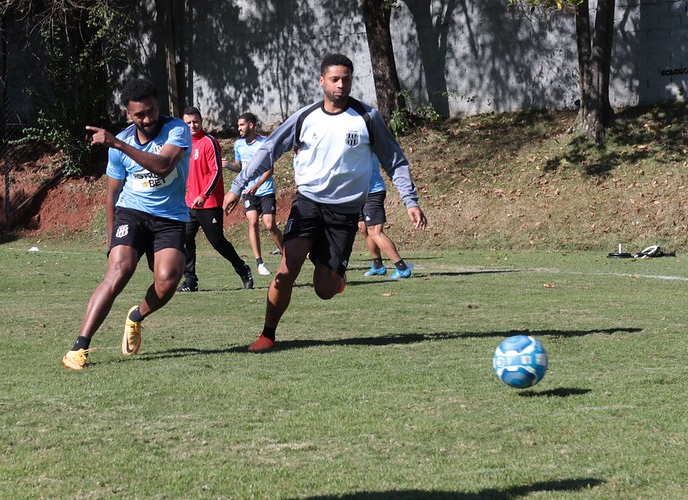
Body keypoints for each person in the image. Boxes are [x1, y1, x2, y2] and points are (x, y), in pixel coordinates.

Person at [222, 53, 427, 352]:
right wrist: (238, 187)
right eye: (334, 79)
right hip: (308, 204)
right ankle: (267, 334)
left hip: (344, 213)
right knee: (285, 272)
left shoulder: (367, 118)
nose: (341, 85)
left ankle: (331, 272)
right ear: (322, 81)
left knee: (325, 289)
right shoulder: (305, 117)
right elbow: (268, 151)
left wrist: (410, 199)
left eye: (346, 79)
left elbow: (394, 161)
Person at [62, 78, 192, 370]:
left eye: (152, 111)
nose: (148, 119)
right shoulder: (119, 144)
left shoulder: (177, 130)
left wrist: (117, 142)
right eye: (140, 115)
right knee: (119, 271)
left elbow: (163, 165)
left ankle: (136, 316)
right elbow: (112, 195)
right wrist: (112, 241)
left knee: (168, 280)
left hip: (170, 217)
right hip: (131, 212)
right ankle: (78, 348)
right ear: (128, 115)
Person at [176, 107, 254, 292]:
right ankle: (190, 281)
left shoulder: (209, 142)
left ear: (201, 122)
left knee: (217, 241)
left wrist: (204, 195)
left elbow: (217, 171)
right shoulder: (183, 143)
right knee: (185, 238)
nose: (192, 125)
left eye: (195, 121)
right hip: (189, 203)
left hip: (208, 202)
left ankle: (242, 268)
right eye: (188, 123)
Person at [233, 112, 284, 275]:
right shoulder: (238, 145)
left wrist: (257, 185)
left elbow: (270, 169)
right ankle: (259, 263)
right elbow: (239, 167)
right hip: (248, 192)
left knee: (269, 224)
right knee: (253, 222)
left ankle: (286, 254)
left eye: (241, 125)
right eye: (238, 125)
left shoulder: (264, 143)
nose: (238, 128)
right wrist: (228, 166)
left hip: (265, 190)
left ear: (251, 125)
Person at [359, 154, 413, 279]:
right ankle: (378, 266)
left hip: (373, 191)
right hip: (357, 192)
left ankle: (402, 268)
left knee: (374, 230)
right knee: (363, 228)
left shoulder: (368, 137)